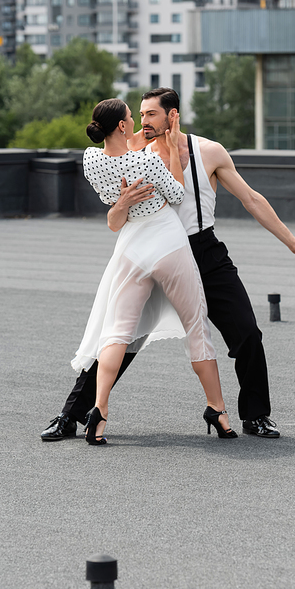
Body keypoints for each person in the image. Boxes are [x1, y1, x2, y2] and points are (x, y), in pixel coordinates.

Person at [41, 88, 295, 442]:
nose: (144, 122)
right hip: (154, 253)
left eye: (151, 115)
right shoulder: (136, 154)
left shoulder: (209, 152)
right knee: (118, 340)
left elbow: (250, 199)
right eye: (139, 115)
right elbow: (116, 216)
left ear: (173, 115)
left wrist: (293, 242)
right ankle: (70, 416)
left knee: (247, 332)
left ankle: (256, 416)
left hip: (203, 252)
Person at [69, 98, 236, 444]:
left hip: (132, 245)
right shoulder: (146, 159)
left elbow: (113, 210)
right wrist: (173, 150)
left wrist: (124, 201)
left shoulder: (91, 160)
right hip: (165, 239)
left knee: (117, 331)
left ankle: (99, 409)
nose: (136, 120)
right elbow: (176, 194)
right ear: (122, 126)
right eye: (133, 116)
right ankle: (217, 409)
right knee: (196, 324)